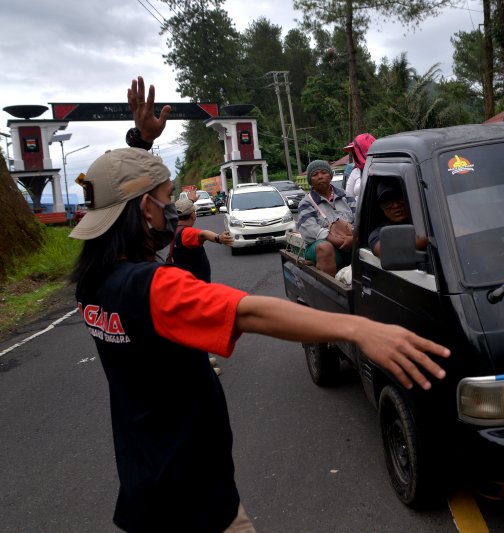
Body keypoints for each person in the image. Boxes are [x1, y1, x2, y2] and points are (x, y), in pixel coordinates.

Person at [69, 76, 449, 533]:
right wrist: (355, 328)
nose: (175, 209)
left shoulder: (93, 284)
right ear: (147, 210)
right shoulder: (155, 288)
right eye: (170, 200)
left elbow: (122, 194)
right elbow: (248, 310)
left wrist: (141, 142)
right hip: (196, 503)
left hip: (146, 486)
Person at [296, 160, 356, 276]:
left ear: (330, 175)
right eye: (315, 174)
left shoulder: (346, 197)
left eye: (324, 172)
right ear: (310, 180)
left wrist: (352, 238)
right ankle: (330, 291)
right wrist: (338, 241)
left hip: (350, 242)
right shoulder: (306, 203)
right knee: (325, 247)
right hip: (322, 247)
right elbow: (309, 231)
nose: (320, 177)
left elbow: (360, 220)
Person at [169, 197, 234, 283]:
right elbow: (203, 234)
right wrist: (219, 238)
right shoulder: (187, 232)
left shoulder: (173, 229)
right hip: (195, 284)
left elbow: (181, 210)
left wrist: (191, 200)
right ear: (193, 215)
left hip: (184, 280)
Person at [368, 180, 428, 257]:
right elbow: (383, 250)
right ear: (381, 207)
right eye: (388, 202)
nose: (396, 206)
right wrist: (427, 240)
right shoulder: (379, 233)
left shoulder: (427, 221)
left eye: (399, 198)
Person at [344, 133, 376, 201]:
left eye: (355, 150)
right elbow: (349, 199)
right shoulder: (356, 172)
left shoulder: (384, 168)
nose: (354, 154)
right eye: (353, 151)